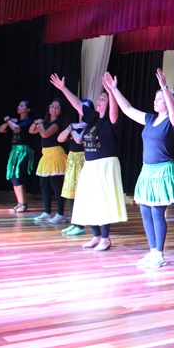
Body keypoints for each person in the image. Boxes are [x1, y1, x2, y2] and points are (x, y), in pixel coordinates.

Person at [104, 69, 174, 268]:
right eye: (155, 98)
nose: (155, 101)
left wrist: (164, 87)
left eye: (159, 99)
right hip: (147, 171)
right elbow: (127, 109)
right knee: (144, 211)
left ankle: (159, 254)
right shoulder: (151, 119)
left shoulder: (173, 121)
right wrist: (114, 89)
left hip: (164, 171)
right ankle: (152, 251)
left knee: (157, 212)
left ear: (169, 101)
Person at [50, 73, 127, 251]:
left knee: (103, 201)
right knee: (87, 199)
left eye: (103, 99)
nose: (99, 101)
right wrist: (63, 88)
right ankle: (96, 236)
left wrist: (111, 91)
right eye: (99, 98)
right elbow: (78, 104)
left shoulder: (111, 120)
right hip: (90, 164)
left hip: (105, 164)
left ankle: (105, 238)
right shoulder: (92, 118)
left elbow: (114, 111)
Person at [30, 100, 69, 223]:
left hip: (55, 155)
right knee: (44, 185)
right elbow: (31, 131)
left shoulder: (57, 123)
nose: (54, 109)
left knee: (56, 186)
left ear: (61, 110)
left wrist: (40, 124)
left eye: (57, 107)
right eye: (52, 106)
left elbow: (45, 134)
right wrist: (36, 122)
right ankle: (47, 211)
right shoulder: (45, 123)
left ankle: (60, 214)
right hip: (46, 156)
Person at [57, 104, 89, 236]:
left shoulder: (89, 125)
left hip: (82, 159)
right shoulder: (75, 125)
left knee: (79, 193)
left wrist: (71, 129)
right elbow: (60, 138)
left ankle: (80, 225)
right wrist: (71, 127)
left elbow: (78, 140)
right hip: (72, 159)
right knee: (70, 191)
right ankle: (73, 223)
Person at [0, 100, 34, 213]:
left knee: (17, 177)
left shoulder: (28, 121)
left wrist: (8, 120)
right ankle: (20, 203)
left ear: (27, 110)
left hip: (22, 151)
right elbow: (1, 129)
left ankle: (22, 204)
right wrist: (8, 122)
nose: (18, 107)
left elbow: (16, 128)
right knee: (14, 177)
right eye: (19, 105)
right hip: (14, 151)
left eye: (22, 106)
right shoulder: (16, 121)